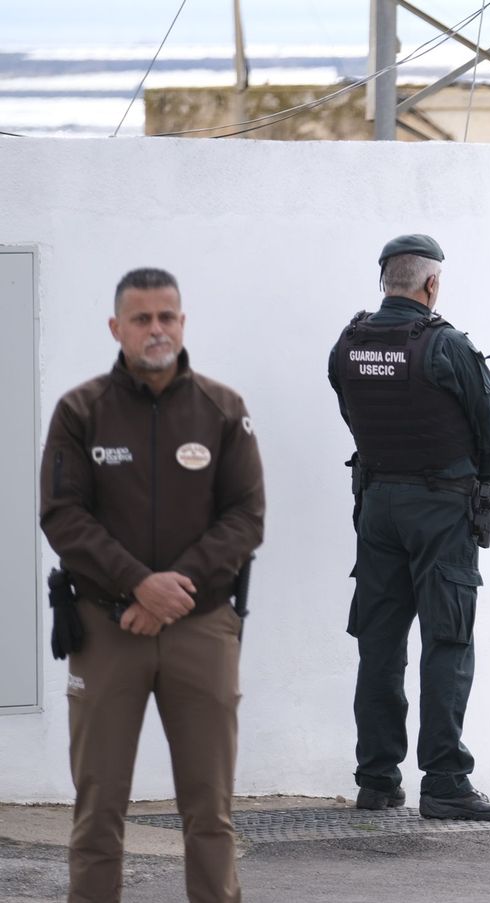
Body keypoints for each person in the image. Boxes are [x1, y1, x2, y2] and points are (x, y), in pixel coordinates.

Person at [41, 267, 264, 903]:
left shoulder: (223, 410)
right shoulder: (81, 412)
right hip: (108, 631)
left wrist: (175, 589)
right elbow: (63, 515)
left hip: (203, 630)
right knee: (98, 813)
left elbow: (245, 517)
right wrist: (138, 585)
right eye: (141, 318)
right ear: (117, 328)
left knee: (210, 813)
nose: (156, 329)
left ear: (183, 323)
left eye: (167, 316)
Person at [329, 234, 490, 819]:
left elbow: (352, 414)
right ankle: (445, 782)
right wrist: (462, 483)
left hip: (378, 504)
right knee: (448, 640)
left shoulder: (349, 342)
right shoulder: (446, 345)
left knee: (379, 644)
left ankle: (377, 779)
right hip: (440, 509)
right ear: (431, 284)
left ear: (385, 278)